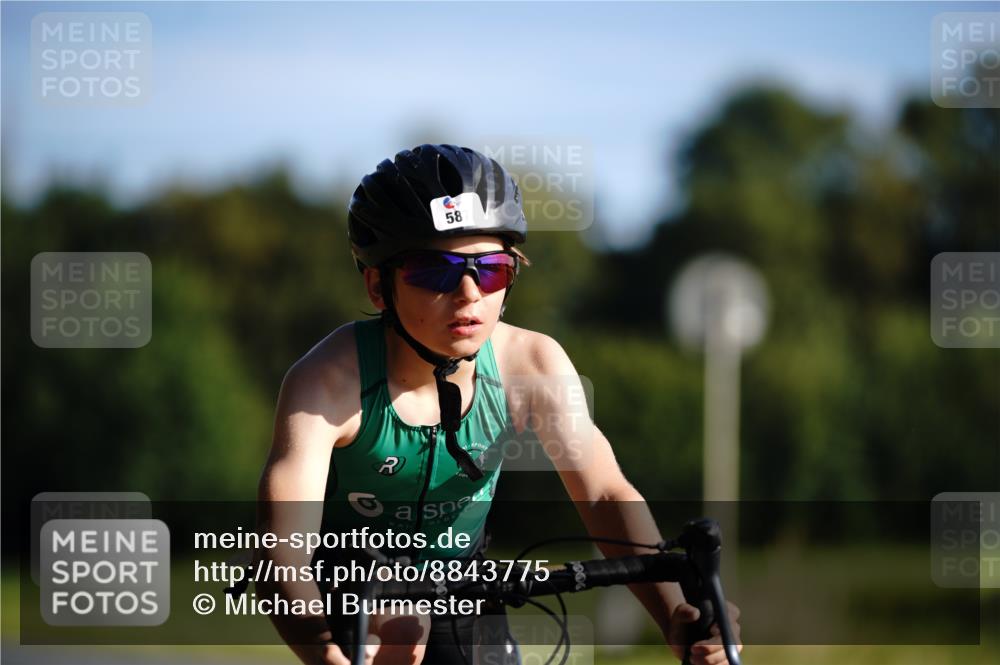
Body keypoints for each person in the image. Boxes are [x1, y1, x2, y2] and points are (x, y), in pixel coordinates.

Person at [256, 144, 743, 665]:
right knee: (397, 630)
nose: (469, 293)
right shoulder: (325, 381)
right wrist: (327, 653)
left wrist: (674, 613)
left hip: (465, 588)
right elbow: (281, 548)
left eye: (490, 270)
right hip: (345, 595)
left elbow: (603, 493)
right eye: (435, 272)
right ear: (378, 285)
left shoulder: (531, 364)